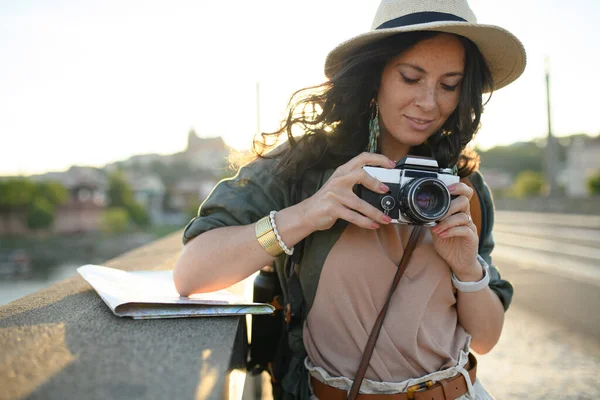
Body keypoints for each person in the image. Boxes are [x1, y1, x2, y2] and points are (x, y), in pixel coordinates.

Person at [174, 0, 526, 398]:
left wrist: (467, 269)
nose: (429, 103)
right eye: (411, 78)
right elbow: (191, 274)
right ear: (375, 74)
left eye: (449, 85)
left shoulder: (464, 188)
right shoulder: (305, 167)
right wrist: (308, 214)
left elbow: (486, 339)